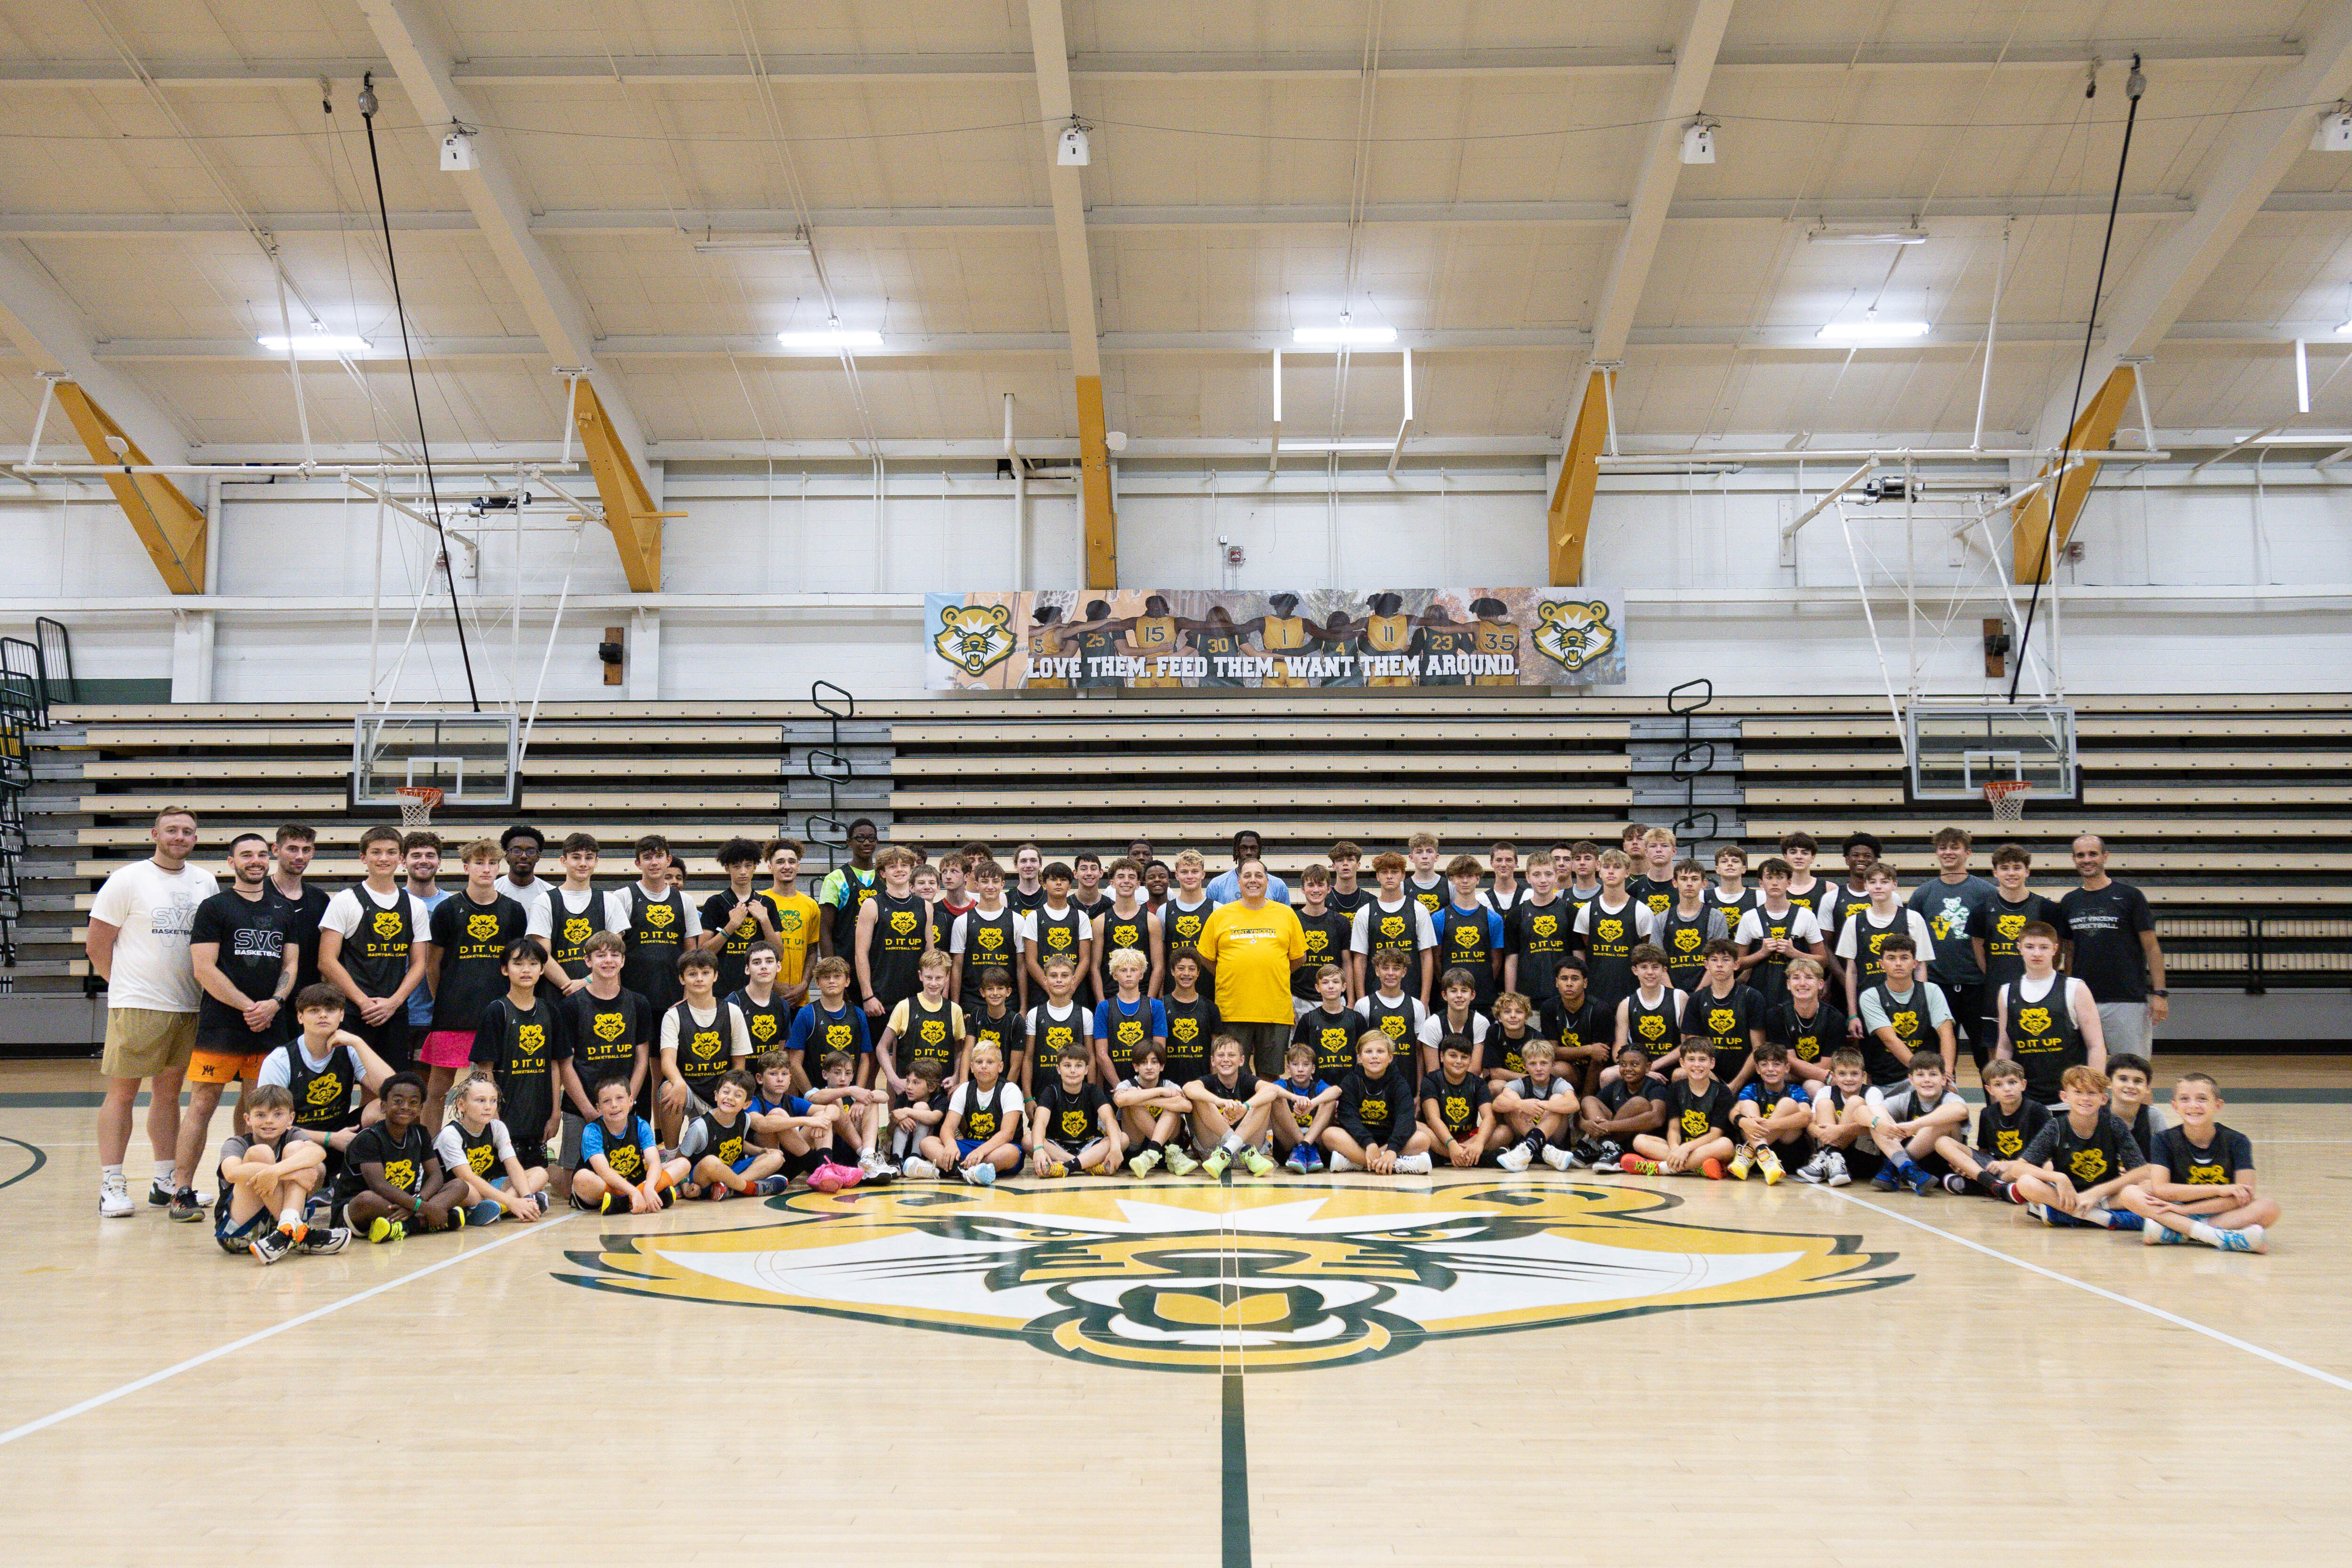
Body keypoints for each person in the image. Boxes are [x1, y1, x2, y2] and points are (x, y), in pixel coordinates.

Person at [86, 807, 217, 1217]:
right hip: (139, 1004)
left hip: (188, 1003)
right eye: (172, 829)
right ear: (154, 834)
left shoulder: (205, 881)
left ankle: (165, 1180)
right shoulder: (127, 879)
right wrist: (124, 986)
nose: (180, 836)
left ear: (196, 838)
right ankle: (111, 1183)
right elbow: (97, 944)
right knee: (123, 1093)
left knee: (169, 1094)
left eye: (188, 831)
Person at [170, 832, 299, 1221]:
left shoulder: (283, 909)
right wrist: (248, 1006)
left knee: (258, 1108)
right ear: (232, 862)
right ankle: (181, 1191)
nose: (255, 860)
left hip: (270, 1025)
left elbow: (290, 964)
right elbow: (203, 968)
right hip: (223, 1026)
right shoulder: (215, 907)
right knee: (202, 1103)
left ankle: (242, 1186)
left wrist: (275, 1003)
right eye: (246, 855)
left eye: (261, 854)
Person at [421, 839, 535, 1127]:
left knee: (491, 1090)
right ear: (466, 867)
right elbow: (432, 964)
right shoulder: (447, 909)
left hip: (498, 1011)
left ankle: (491, 1147)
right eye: (479, 863)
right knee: (437, 1090)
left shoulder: (514, 910)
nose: (486, 869)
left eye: (492, 863)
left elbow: (517, 963)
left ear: (499, 867)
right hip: (454, 1012)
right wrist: (442, 998)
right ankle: (429, 1149)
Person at [2119, 1072, 2278, 1251]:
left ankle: (2178, 1232)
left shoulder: (2238, 1141)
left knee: (2269, 1208)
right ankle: (2217, 1236)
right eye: (2185, 1099)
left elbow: (2244, 1196)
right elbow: (2162, 1190)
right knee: (2130, 1193)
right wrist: (2219, 1190)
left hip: (2216, 1211)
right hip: (2175, 1207)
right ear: (2175, 1106)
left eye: (2202, 1099)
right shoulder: (2163, 1140)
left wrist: (2186, 1212)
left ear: (2218, 1105)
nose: (2193, 1106)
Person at [258, 984, 394, 1180]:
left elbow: (393, 1092)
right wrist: (330, 1139)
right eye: (314, 1011)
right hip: (296, 1141)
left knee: (385, 1108)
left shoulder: (350, 1049)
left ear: (341, 1015)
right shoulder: (280, 1060)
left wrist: (359, 1043)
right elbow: (269, 1124)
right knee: (312, 1166)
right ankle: (315, 1186)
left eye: (330, 1010)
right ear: (300, 1017)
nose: (323, 1015)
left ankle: (376, 1182)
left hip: (342, 1134)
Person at [2002, 1066, 2156, 1229]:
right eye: (2078, 1092)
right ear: (2065, 1096)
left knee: (2147, 1188)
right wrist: (2058, 1178)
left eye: (2092, 1093)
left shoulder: (2114, 1124)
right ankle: (2102, 1218)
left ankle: (2064, 1215)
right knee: (2025, 1183)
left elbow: (2142, 1171)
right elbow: (2018, 1169)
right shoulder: (2055, 1127)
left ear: (2103, 1099)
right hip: (2066, 1196)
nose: (2085, 1098)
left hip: (2107, 1197)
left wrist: (2098, 1192)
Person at [1195, 858, 1308, 1078]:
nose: (1253, 880)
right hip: (1233, 1010)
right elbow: (1206, 957)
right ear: (1239, 882)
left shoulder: (1286, 914)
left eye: (1259, 875)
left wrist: (1274, 972)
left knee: (1271, 1076)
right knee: (1232, 1074)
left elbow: (1299, 958)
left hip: (1275, 1010)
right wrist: (1229, 972)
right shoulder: (1220, 915)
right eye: (1247, 876)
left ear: (1268, 881)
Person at [2059, 835, 2167, 1059]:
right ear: (2074, 859)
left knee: (2132, 1069)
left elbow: (2151, 947)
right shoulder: (2070, 901)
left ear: (2105, 857)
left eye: (2093, 854)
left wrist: (2160, 993)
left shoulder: (2130, 896)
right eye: (2081, 855)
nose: (2087, 860)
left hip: (2127, 1000)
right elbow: (2070, 951)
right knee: (2085, 1073)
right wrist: (2068, 995)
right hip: (2083, 1000)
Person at [212, 1084, 345, 1263]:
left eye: (278, 1114)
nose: (269, 1121)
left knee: (299, 1151)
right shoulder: (237, 1143)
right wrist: (290, 1174)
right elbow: (232, 1173)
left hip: (276, 1230)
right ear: (248, 1119)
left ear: (291, 1119)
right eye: (261, 1115)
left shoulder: (292, 1136)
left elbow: (318, 1153)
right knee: (261, 1153)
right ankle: (298, 1234)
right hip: (241, 1233)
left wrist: (276, 1172)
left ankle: (288, 1227)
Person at [468, 937, 562, 1188]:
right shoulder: (496, 1011)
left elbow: (555, 1065)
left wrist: (556, 1113)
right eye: (518, 964)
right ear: (505, 969)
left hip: (538, 1118)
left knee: (538, 1177)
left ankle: (517, 1200)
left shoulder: (550, 1011)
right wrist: (494, 1117)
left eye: (533, 964)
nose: (526, 970)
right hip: (505, 1118)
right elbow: (485, 1070)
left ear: (543, 969)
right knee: (505, 1181)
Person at [555, 932, 653, 1161]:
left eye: (615, 955)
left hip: (624, 1109)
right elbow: (565, 1065)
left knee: (627, 1170)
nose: (609, 960)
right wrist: (589, 1111)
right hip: (581, 1109)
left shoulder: (638, 1003)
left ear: (623, 961)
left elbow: (642, 1060)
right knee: (573, 1180)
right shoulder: (571, 1006)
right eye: (601, 955)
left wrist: (627, 1102)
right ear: (588, 961)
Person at [339, 1072, 468, 1242]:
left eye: (413, 1103)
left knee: (460, 1186)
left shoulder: (421, 1134)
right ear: (384, 1106)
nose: (406, 1107)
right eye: (398, 1101)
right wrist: (426, 1209)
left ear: (421, 1109)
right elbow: (379, 1186)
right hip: (363, 1208)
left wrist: (417, 1203)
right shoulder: (369, 1138)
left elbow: (436, 1176)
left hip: (404, 1204)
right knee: (367, 1199)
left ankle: (403, 1226)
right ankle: (424, 1222)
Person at [1907, 827, 1996, 1072]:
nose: (1948, 852)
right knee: (1941, 1058)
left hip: (1978, 985)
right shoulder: (1923, 894)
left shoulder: (1986, 892)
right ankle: (1947, 1098)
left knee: (1985, 1057)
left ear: (1968, 853)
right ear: (1937, 853)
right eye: (1943, 847)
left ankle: (1993, 1099)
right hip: (1939, 985)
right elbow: (1912, 943)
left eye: (1955, 847)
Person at [1993, 921, 2105, 1105]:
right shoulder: (2006, 992)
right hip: (2026, 1100)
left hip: (2070, 1099)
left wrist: (2093, 1093)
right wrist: (2001, 1092)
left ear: (2055, 949)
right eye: (2030, 947)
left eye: (2044, 947)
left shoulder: (2075, 988)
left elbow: (2096, 1046)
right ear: (2020, 948)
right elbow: (2005, 1047)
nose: (2037, 953)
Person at [657, 950, 753, 1143]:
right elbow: (667, 1063)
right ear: (682, 979)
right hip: (689, 1090)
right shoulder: (673, 1016)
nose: (699, 979)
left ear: (715, 976)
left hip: (720, 1091)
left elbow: (739, 1065)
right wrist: (679, 1083)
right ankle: (671, 1153)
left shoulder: (733, 1012)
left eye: (706, 973)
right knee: (669, 1089)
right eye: (693, 974)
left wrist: (729, 1094)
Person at [435, 1074, 553, 1224]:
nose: (488, 1107)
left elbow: (513, 1165)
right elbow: (467, 1177)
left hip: (486, 1187)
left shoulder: (497, 1127)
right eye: (481, 1100)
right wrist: (512, 1201)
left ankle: (498, 1208)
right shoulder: (451, 1134)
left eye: (493, 1101)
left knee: (540, 1173)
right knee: (470, 1192)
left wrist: (527, 1197)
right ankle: (507, 1207)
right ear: (461, 1104)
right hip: (457, 1190)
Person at [607, 834, 699, 1017]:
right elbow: (614, 951)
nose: (654, 863)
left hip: (674, 997)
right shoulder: (622, 897)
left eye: (659, 856)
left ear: (668, 860)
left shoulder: (685, 901)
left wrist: (689, 995)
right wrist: (617, 996)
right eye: (648, 858)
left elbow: (691, 953)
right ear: (638, 863)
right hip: (632, 997)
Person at [1932, 1057, 2049, 1197]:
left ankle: (1985, 1187)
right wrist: (1967, 1166)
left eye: (2012, 1082)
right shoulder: (1987, 1113)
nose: (2007, 1089)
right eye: (1999, 1085)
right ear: (1990, 1090)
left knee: (2032, 1170)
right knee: (1942, 1142)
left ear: (2023, 1085)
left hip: (2024, 1166)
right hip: (1995, 1166)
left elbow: (2046, 1155)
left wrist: (2010, 1165)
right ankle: (1994, 1185)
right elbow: (1984, 1151)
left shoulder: (2038, 1111)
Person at [1619, 1041, 1737, 1179]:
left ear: (1712, 1063)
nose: (1697, 1065)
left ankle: (1661, 1168)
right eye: (1691, 1060)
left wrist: (1686, 1149)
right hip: (1682, 1147)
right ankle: (1698, 1168)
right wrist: (1676, 1149)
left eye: (1702, 1060)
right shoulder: (1675, 1089)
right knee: (1640, 1140)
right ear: (1682, 1063)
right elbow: (1674, 1128)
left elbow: (1715, 1134)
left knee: (1726, 1145)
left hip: (1707, 1147)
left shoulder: (1722, 1092)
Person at [1835, 863, 1936, 1022]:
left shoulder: (1913, 918)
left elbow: (1920, 966)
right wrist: (1853, 1014)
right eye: (1873, 882)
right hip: (1868, 1004)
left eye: (1884, 882)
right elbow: (1852, 972)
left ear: (1894, 885)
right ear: (1866, 886)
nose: (1878, 887)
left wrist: (1919, 1006)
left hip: (1906, 1004)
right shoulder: (1854, 922)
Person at [570, 1075, 686, 1214]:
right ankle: (641, 1198)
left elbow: (654, 1163)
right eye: (607, 1101)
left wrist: (649, 1187)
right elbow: (604, 1172)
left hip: (636, 1181)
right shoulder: (592, 1131)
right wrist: (634, 1192)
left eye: (620, 1098)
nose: (614, 1105)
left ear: (631, 1101)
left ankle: (625, 1202)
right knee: (581, 1178)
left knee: (683, 1164)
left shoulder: (641, 1125)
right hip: (605, 1185)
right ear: (598, 1108)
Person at [1323, 1032, 1434, 1174]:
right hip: (1359, 1142)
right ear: (1360, 1057)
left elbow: (1405, 1119)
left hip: (1390, 1140)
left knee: (1423, 1140)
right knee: (1329, 1135)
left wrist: (1392, 1150)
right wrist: (1369, 1143)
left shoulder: (1399, 1083)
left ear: (1390, 1057)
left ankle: (1356, 1163)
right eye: (1369, 1052)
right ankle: (1396, 1165)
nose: (1374, 1056)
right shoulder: (1351, 1081)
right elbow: (1348, 1118)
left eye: (1380, 1051)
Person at [1859, 1054, 1969, 1196]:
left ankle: (1895, 1166)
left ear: (1943, 1079)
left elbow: (1961, 1111)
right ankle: (1906, 1167)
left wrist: (1915, 1125)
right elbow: (1861, 1112)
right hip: (1916, 1169)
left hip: (1943, 1164)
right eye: (1921, 1075)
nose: (1927, 1080)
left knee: (1944, 1121)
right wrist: (1877, 1123)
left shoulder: (1951, 1099)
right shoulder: (1906, 1099)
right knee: (1876, 1117)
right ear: (1911, 1080)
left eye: (1933, 1075)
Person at [1856, 935, 1955, 1087]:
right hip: (1888, 1081)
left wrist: (1946, 1073)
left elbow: (1946, 1034)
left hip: (1931, 1077)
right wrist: (1921, 1075)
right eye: (1891, 958)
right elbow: (1890, 1040)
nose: (1898, 964)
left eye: (1904, 958)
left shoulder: (1931, 991)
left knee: (1955, 1099)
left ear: (1915, 963)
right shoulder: (1871, 996)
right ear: (1882, 964)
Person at [676, 1069, 790, 1201]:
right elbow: (680, 1160)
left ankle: (729, 1188)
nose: (730, 1098)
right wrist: (686, 1188)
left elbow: (739, 1143)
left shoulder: (745, 1119)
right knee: (711, 1162)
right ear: (716, 1096)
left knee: (777, 1157)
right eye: (726, 1092)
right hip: (705, 1178)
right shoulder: (700, 1127)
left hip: (732, 1170)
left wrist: (761, 1151)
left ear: (747, 1104)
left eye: (738, 1095)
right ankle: (751, 1188)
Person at [1733, 857, 1827, 1008]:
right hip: (1759, 993)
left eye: (1780, 878)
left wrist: (1795, 953)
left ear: (1789, 882)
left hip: (1797, 993)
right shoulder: (1750, 917)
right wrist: (1761, 953)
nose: (1775, 883)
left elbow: (1823, 961)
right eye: (1769, 878)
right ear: (1761, 883)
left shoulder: (1806, 915)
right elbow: (1738, 963)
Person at [927, 1041, 1024, 1186]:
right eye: (979, 1062)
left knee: (1011, 1153)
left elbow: (1007, 1134)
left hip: (999, 1148)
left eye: (990, 1062)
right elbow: (948, 1128)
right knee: (928, 1142)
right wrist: (951, 1145)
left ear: (1000, 1067)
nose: (984, 1066)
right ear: (972, 1067)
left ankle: (947, 1169)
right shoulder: (964, 1089)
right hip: (971, 1145)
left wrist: (981, 1151)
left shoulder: (1010, 1090)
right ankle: (969, 1172)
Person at [1573, 849, 1655, 1021]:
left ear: (1627, 872)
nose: (1611, 871)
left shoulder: (1642, 911)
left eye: (1617, 867)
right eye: (1606, 867)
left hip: (1632, 995)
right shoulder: (1587, 911)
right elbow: (1584, 950)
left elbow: (1648, 954)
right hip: (1595, 995)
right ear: (1600, 872)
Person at [1184, 1035, 1280, 1177]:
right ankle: (1235, 1148)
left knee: (1265, 1100)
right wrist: (1220, 1102)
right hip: (1214, 1155)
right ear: (1213, 1061)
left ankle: (1231, 1148)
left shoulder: (1246, 1080)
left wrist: (1246, 1107)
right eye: (1221, 1055)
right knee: (1199, 1098)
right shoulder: (1209, 1081)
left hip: (1249, 1156)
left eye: (1232, 1055)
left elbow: (1272, 1090)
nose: (1226, 1060)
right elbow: (1188, 1088)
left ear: (1242, 1060)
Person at [877, 951, 969, 1098]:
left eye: (939, 978)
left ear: (947, 977)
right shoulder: (905, 1007)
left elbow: (960, 1051)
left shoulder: (955, 1010)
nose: (933, 983)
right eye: (929, 978)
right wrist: (894, 1080)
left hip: (940, 1093)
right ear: (921, 976)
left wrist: (956, 1076)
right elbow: (882, 1047)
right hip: (909, 1093)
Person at [1349, 851, 1437, 1003]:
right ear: (1378, 876)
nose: (1389, 876)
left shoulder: (1419, 909)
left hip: (1412, 994)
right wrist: (1362, 1001)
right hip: (1374, 994)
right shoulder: (1364, 913)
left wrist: (1424, 1001)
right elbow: (1360, 959)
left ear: (1403, 876)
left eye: (1395, 872)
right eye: (1384, 872)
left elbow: (1426, 956)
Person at [856, 846, 932, 1021]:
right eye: (893, 866)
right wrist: (868, 996)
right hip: (881, 998)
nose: (899, 870)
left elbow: (930, 954)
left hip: (918, 996)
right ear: (883, 873)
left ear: (911, 869)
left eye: (904, 865)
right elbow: (861, 954)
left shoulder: (925, 907)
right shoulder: (872, 905)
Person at [1678, 939, 1765, 1091]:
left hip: (1746, 1080)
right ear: (1706, 965)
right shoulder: (1697, 999)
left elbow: (1758, 1049)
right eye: (1714, 960)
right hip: (1708, 1077)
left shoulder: (1752, 997)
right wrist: (1718, 1086)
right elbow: (1693, 1048)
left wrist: (1735, 1086)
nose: (1719, 965)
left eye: (1726, 960)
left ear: (1736, 965)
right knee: (1679, 1075)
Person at [697, 837, 774, 997]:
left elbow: (779, 952)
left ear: (755, 867)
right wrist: (731, 926)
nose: (743, 872)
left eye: (748, 866)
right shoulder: (715, 903)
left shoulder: (767, 904)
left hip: (759, 990)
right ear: (727, 868)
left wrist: (765, 921)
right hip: (722, 991)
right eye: (737, 866)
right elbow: (703, 953)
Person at [1029, 1044, 1121, 1177]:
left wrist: (1115, 1149)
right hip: (1058, 1147)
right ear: (1058, 1069)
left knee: (1123, 1139)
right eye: (1067, 1066)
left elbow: (1109, 1119)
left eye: (1078, 1066)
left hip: (1089, 1145)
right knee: (1029, 1140)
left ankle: (1067, 1167)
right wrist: (1039, 1149)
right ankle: (1088, 1165)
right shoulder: (1051, 1092)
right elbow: (1040, 1122)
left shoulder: (1093, 1091)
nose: (1073, 1071)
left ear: (1086, 1070)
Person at [1572, 1045, 1668, 1171]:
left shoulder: (1656, 1088)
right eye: (1623, 1065)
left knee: (1638, 1103)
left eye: (1634, 1065)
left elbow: (1657, 1119)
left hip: (1641, 1141)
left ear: (1648, 1067)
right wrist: (1584, 1124)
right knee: (1588, 1100)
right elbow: (1577, 1117)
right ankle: (1608, 1146)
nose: (1628, 1069)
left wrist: (1610, 1126)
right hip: (1617, 1140)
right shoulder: (1616, 1086)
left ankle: (1601, 1146)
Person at [1503, 854, 1574, 1022]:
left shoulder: (1570, 911)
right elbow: (1512, 961)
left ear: (1556, 876)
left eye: (1548, 874)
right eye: (1537, 875)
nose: (1543, 880)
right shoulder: (1516, 915)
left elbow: (1579, 957)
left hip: (1566, 999)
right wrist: (1511, 998)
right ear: (1528, 877)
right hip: (1528, 1001)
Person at [1728, 1043, 1811, 1184]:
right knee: (1747, 1104)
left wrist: (1770, 1125)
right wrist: (1744, 1122)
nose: (1771, 1069)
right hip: (1757, 1161)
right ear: (1758, 1069)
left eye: (1777, 1064)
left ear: (1787, 1068)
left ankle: (1751, 1152)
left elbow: (1806, 1117)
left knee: (1788, 1103)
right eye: (1765, 1065)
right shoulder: (1752, 1089)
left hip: (1787, 1152)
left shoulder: (1796, 1090)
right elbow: (1733, 1113)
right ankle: (1765, 1155)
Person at [1430, 855, 1505, 1013]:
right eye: (1460, 876)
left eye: (1470, 876)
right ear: (1452, 879)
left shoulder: (1493, 918)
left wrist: (1483, 983)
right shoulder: (1439, 918)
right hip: (1451, 999)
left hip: (1484, 998)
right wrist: (1449, 986)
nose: (1465, 881)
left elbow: (1497, 961)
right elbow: (1436, 960)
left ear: (1478, 879)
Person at [755, 838, 824, 1009]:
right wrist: (775, 985)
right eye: (780, 862)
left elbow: (812, 951)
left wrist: (804, 985)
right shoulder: (759, 902)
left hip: (799, 998)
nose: (787, 866)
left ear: (798, 866)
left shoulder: (811, 905)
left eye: (792, 862)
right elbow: (750, 952)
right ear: (770, 867)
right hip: (764, 996)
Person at [266, 823, 332, 998]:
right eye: (293, 849)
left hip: (308, 998)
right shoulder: (258, 895)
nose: (300, 856)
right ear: (276, 850)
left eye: (306, 850)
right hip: (265, 998)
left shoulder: (320, 900)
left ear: (313, 852)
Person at [789, 956, 874, 1091]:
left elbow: (865, 1060)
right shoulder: (806, 1014)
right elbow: (794, 1063)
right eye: (826, 977)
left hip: (850, 1095)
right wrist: (811, 1095)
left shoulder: (859, 1015)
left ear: (847, 981)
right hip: (816, 1094)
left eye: (837, 976)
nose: (832, 981)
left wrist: (857, 1093)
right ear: (817, 983)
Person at [1492, 1041, 1577, 1173]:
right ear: (1525, 1066)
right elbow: (1497, 1103)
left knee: (1558, 1099)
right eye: (1533, 1064)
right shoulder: (1519, 1084)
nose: (1539, 1068)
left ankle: (1530, 1147)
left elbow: (1574, 1104)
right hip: (1544, 1152)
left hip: (1556, 1141)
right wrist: (1521, 1104)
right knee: (1511, 1101)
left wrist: (1543, 1105)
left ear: (1553, 1064)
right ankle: (1544, 1150)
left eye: (1544, 1063)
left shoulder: (1560, 1084)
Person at [1117, 1044, 1201, 1178]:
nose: (1149, 1067)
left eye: (1154, 1062)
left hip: (1168, 1154)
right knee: (1131, 1101)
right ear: (1136, 1067)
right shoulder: (1127, 1084)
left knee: (1173, 1105)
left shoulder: (1169, 1085)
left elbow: (1187, 1106)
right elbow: (1120, 1100)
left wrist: (1145, 1099)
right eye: (1144, 1063)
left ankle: (1153, 1152)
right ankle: (1159, 1150)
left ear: (1162, 1066)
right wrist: (1161, 1092)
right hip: (1136, 1152)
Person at [1018, 860, 1094, 1002]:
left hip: (1075, 993)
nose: (1059, 883)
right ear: (1044, 885)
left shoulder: (1081, 917)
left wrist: (1071, 988)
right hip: (1043, 993)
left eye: (1063, 880)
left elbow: (1085, 960)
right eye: (1053, 879)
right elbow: (1030, 961)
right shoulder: (1034, 917)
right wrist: (1050, 988)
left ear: (1070, 886)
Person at [1797, 1048, 1874, 1187]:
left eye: (1854, 1074)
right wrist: (1821, 1132)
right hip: (1830, 1161)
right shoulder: (1826, 1092)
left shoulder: (1872, 1093)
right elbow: (1811, 1124)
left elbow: (1875, 1127)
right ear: (1833, 1075)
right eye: (1842, 1074)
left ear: (1863, 1076)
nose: (1849, 1079)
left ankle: (1831, 1153)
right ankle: (1833, 1158)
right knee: (1824, 1103)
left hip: (1862, 1157)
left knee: (1855, 1102)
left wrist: (1839, 1130)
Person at [1091, 948, 1166, 1088]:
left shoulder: (1155, 1006)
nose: (1129, 974)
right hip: (1114, 1086)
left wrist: (1145, 1086)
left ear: (1141, 975)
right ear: (1115, 975)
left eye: (1134, 970)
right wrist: (1120, 1088)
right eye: (1123, 970)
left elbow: (1160, 1050)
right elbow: (1101, 1055)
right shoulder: (1104, 1008)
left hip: (1148, 1085)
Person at [1420, 1037, 1498, 1169]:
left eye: (1464, 1057)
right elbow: (1433, 1119)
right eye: (1453, 1056)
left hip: (1469, 1138)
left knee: (1505, 1132)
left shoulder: (1478, 1083)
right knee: (1416, 1127)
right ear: (1442, 1057)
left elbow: (1489, 1118)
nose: (1459, 1061)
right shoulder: (1431, 1080)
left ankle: (1448, 1157)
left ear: (1470, 1060)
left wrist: (1479, 1144)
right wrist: (1451, 1144)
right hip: (1441, 1138)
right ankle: (1471, 1158)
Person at [1092, 857, 1163, 1004]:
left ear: (1138, 884)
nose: (1126, 881)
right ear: (1112, 883)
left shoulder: (1152, 921)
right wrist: (1101, 1003)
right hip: (1110, 997)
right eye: (1121, 877)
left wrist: (1149, 1002)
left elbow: (1158, 966)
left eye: (1131, 877)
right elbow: (1095, 967)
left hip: (1143, 996)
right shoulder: (1101, 921)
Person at [1766, 956, 1844, 1084]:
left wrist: (1818, 1077)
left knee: (1813, 1085)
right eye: (1796, 978)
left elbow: (1826, 1064)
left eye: (1809, 978)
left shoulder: (1835, 1018)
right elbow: (1789, 1061)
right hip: (1788, 1078)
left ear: (1821, 984)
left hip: (1817, 1081)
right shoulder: (1776, 1015)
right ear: (1788, 984)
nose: (1802, 983)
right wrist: (1826, 1077)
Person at [543, 832, 605, 992]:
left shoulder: (609, 901)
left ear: (597, 862)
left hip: (597, 994)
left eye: (589, 858)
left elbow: (614, 954)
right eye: (576, 857)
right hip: (555, 994)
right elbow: (542, 954)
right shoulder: (544, 901)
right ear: (563, 861)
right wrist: (571, 988)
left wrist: (585, 982)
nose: (583, 863)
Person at [1613, 945, 1684, 1082]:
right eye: (1644, 967)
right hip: (1638, 1069)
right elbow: (1618, 1052)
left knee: (1682, 1074)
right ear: (1635, 970)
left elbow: (1687, 1045)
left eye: (1655, 967)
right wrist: (1641, 1069)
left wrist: (1651, 1068)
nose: (1650, 972)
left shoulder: (1679, 997)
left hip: (1673, 1066)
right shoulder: (1626, 1005)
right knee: (1607, 1076)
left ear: (1664, 970)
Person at [1656, 859, 1726, 995]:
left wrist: (1697, 996)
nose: (1689, 884)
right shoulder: (1661, 919)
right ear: (1675, 883)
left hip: (1707, 994)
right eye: (1684, 879)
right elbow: (1657, 962)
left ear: (1704, 883)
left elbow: (1719, 963)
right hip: (1670, 994)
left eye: (1694, 879)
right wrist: (1675, 996)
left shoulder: (1716, 918)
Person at [816, 817, 882, 961]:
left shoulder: (885, 877)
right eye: (860, 838)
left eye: (871, 838)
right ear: (849, 842)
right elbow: (825, 930)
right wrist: (831, 966)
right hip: (845, 962)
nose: (866, 842)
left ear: (877, 842)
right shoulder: (835, 878)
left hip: (879, 963)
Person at [1270, 1041, 1338, 1173]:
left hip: (1317, 1149)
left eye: (1306, 1065)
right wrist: (1294, 1098)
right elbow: (1270, 1090)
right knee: (1275, 1097)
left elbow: (1337, 1091)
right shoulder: (1284, 1084)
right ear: (1288, 1068)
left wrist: (1313, 1103)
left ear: (1313, 1069)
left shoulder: (1318, 1086)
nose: (1300, 1069)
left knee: (1329, 1099)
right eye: (1295, 1064)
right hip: (1288, 1146)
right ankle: (1304, 1146)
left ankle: (1305, 1147)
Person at [1292, 864, 1353, 1011]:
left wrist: (1351, 1000)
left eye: (1320, 885)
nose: (1316, 890)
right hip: (1299, 998)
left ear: (1329, 889)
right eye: (1311, 885)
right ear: (1302, 889)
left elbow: (1347, 963)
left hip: (1334, 997)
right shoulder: (1292, 920)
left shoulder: (1341, 922)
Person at [1291, 964, 1366, 1083]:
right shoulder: (1308, 1020)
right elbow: (1297, 1055)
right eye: (1325, 982)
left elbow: (1365, 1053)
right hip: (1318, 1086)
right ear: (1318, 988)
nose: (1331, 986)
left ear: (1344, 987)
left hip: (1352, 1085)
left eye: (1336, 982)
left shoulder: (1356, 1019)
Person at [727, 941, 795, 1071]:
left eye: (769, 962)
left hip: (769, 1079)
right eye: (757, 963)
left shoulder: (783, 1005)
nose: (764, 967)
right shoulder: (733, 1003)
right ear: (747, 969)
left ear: (778, 966)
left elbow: (780, 1051)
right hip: (740, 1079)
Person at [1417, 967, 1492, 1080]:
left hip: (1470, 1083)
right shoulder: (1432, 1025)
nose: (1459, 995)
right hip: (1440, 1084)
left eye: (1464, 991)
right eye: (1454, 991)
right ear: (1444, 996)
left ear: (1473, 995)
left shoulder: (1481, 1023)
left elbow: (1475, 1070)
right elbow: (1433, 1071)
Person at [1159, 948, 1220, 1084]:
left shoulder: (1211, 1008)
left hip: (1202, 1085)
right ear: (1172, 971)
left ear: (1198, 973)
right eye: (1181, 968)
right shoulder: (1160, 1006)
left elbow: (1215, 1052)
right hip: (1168, 1086)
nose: (1186, 973)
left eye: (1192, 969)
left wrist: (1214, 1085)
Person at [494, 824, 555, 933]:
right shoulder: (493, 890)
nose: (524, 856)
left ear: (538, 856)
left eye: (531, 852)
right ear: (506, 855)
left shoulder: (551, 894)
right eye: (517, 851)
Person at [1206, 830, 1288, 905]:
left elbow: (1285, 915)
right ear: (1236, 851)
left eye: (1253, 848)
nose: (1249, 852)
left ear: (1259, 851)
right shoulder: (1217, 885)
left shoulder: (1278, 886)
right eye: (1243, 848)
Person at [1162, 850, 1218, 955]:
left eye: (1195, 872)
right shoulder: (1164, 910)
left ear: (1203, 874)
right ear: (1177, 875)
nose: (1190, 876)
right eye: (1184, 872)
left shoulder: (1217, 909)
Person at [1709, 845, 1757, 926]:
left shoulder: (1759, 897)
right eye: (1724, 861)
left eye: (1735, 861)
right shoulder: (1704, 897)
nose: (1730, 864)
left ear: (1744, 869)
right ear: (1717, 869)